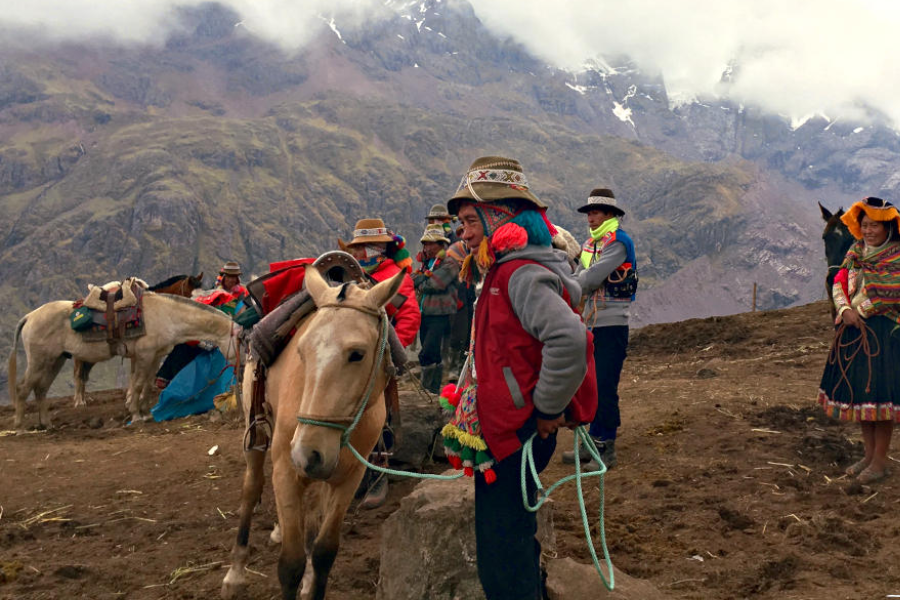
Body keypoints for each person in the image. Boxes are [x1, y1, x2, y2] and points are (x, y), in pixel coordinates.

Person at [443, 156, 589, 600]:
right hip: (509, 428)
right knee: (509, 535)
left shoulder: (519, 273)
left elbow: (569, 340)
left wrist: (547, 409)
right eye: (462, 222)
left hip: (518, 431)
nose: (463, 232)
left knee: (500, 552)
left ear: (500, 218)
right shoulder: (501, 271)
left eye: (471, 221)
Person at [818, 196, 900, 484]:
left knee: (881, 399)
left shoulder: (896, 256)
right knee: (864, 397)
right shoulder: (855, 252)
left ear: (887, 227)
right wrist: (843, 309)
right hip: (855, 330)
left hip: (885, 333)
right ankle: (867, 455)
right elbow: (840, 282)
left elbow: (892, 292)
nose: (868, 231)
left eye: (874, 226)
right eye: (864, 225)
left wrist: (860, 310)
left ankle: (880, 461)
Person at [340, 218, 422, 508]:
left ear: (377, 248)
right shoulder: (348, 276)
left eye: (363, 248)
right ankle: (349, 475)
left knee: (379, 417)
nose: (360, 254)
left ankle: (377, 476)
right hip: (349, 360)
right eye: (357, 249)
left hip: (377, 360)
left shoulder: (395, 278)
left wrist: (390, 352)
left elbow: (410, 316)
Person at [562, 188, 637, 470]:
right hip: (593, 322)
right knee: (591, 383)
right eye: (589, 213)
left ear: (609, 215)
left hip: (611, 323)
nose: (590, 218)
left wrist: (565, 282)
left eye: (595, 213)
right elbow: (582, 275)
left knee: (604, 385)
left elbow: (591, 278)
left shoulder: (617, 243)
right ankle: (591, 443)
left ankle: (607, 448)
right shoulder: (593, 244)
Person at [412, 224, 460, 393]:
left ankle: (427, 388)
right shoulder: (427, 263)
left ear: (440, 244)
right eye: (425, 244)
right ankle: (431, 389)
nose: (427, 247)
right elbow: (413, 279)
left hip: (441, 313)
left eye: (430, 243)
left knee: (427, 352)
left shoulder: (450, 263)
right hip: (426, 312)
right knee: (432, 353)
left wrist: (421, 281)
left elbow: (436, 284)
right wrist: (421, 280)